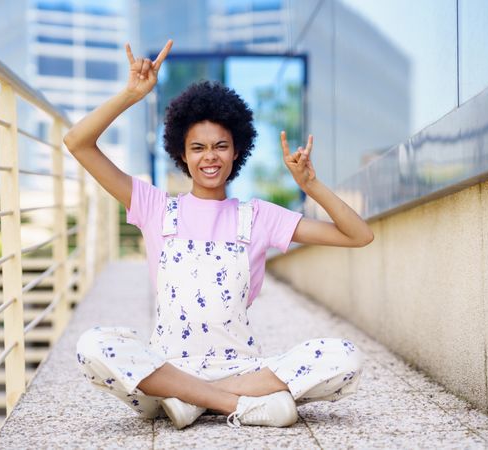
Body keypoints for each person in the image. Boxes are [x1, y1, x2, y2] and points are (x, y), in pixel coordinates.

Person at [66, 39, 375, 430]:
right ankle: (230, 403)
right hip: (165, 373)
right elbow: (77, 142)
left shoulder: (259, 216)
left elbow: (358, 235)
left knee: (344, 357)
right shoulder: (155, 205)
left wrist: (311, 186)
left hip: (242, 369)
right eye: (197, 148)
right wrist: (131, 94)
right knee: (92, 345)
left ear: (236, 152)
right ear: (182, 154)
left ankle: (192, 401)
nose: (209, 157)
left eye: (220, 146)